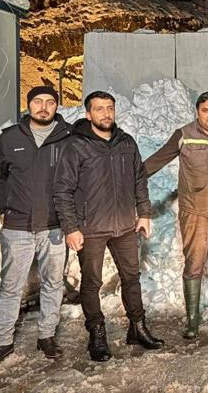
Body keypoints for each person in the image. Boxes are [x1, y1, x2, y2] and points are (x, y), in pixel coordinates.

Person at [53, 91, 162, 362]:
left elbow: (139, 180)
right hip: (91, 228)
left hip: (125, 225)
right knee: (91, 283)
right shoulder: (75, 146)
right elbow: (62, 190)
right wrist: (71, 228)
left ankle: (137, 326)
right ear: (88, 114)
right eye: (99, 109)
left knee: (131, 278)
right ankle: (96, 332)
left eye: (110, 108)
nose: (106, 114)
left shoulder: (126, 142)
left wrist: (144, 213)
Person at [0, 86, 73, 370]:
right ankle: (3, 341)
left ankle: (46, 336)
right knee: (11, 286)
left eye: (49, 102)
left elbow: (78, 177)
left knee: (53, 283)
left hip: (55, 225)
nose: (43, 107)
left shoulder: (69, 137)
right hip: (18, 224)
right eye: (37, 102)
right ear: (28, 105)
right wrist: (1, 209)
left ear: (56, 106)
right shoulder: (11, 137)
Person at [145, 91, 208, 339]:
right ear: (197, 112)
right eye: (205, 110)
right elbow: (157, 160)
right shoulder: (184, 135)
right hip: (194, 212)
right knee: (195, 263)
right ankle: (192, 318)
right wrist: (129, 177)